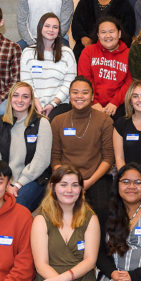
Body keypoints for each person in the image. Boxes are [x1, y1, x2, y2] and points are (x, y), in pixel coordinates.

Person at [49, 76, 114, 238]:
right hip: (66, 178)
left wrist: (88, 182)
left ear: (92, 96)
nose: (80, 96)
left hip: (96, 177)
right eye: (75, 92)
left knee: (102, 208)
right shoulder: (58, 121)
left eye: (85, 93)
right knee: (54, 210)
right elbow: (55, 159)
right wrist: (68, 182)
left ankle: (99, 255)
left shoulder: (105, 120)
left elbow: (108, 159)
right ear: (69, 95)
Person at [0, 81, 51, 211]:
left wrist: (18, 184)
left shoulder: (42, 123)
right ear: (10, 99)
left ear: (31, 101)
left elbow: (41, 161)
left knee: (15, 207)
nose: (20, 100)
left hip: (32, 180)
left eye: (25, 97)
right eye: (15, 95)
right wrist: (6, 183)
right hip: (3, 180)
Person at [20, 13, 76, 120]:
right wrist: (37, 104)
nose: (51, 29)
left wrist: (52, 104)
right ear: (40, 28)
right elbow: (27, 83)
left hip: (59, 104)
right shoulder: (28, 53)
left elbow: (69, 84)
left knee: (53, 122)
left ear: (59, 32)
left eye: (55, 27)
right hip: (33, 102)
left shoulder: (67, 53)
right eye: (47, 26)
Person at [78, 16, 132, 117]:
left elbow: (130, 82)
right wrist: (93, 102)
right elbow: (85, 79)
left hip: (119, 105)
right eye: (103, 32)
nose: (107, 35)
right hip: (91, 103)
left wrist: (115, 102)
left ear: (119, 34)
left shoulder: (129, 54)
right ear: (98, 35)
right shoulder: (88, 51)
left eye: (111, 31)